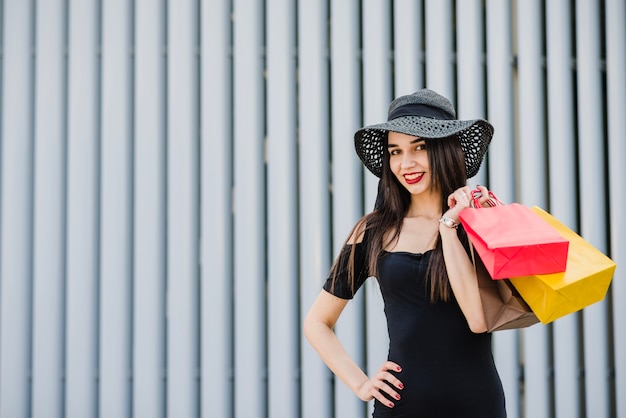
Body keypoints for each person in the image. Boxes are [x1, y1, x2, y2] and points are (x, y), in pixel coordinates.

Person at [303, 89, 506, 417]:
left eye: (420, 147)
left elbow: (479, 321)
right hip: (401, 407)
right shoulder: (373, 232)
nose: (406, 163)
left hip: (475, 404)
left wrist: (449, 227)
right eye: (395, 151)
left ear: (443, 150)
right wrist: (361, 384)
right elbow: (317, 322)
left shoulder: (477, 223)